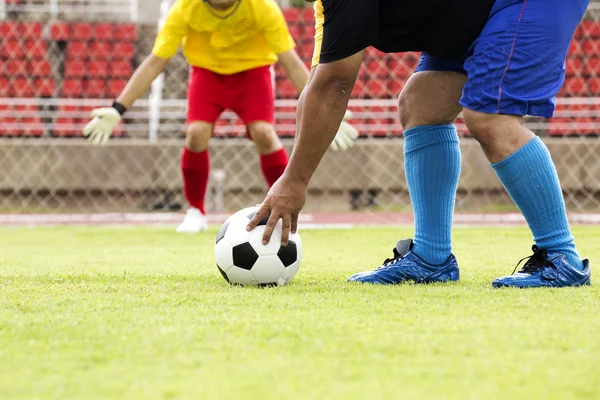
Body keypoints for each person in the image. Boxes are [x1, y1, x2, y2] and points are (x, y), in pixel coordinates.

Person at [247, 0, 591, 288]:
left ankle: (562, 257)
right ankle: (432, 257)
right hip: (471, 13)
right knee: (421, 103)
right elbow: (323, 79)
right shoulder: (327, 6)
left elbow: (335, 83)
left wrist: (294, 180)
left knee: (489, 117)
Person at [83, 0, 359, 233]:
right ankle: (195, 212)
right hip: (207, 75)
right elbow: (156, 60)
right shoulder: (184, 9)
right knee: (196, 133)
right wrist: (118, 108)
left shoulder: (262, 7)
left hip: (254, 72)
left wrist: (329, 107)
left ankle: (286, 205)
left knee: (264, 133)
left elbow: (289, 60)